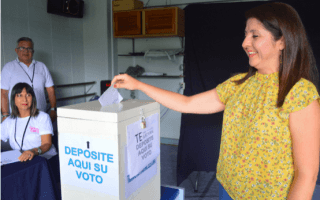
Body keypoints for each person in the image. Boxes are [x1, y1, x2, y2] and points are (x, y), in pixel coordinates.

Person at [111, 2, 320, 199]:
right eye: (246, 34)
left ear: (282, 41)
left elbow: (306, 175)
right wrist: (138, 85)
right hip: (226, 189)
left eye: (255, 35)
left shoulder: (299, 93)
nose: (245, 43)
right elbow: (187, 104)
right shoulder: (237, 84)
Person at [1, 37, 57, 123]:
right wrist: (5, 115)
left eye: (29, 49)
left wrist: (53, 109)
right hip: (17, 118)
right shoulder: (9, 67)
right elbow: (3, 93)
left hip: (40, 116)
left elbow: (50, 89)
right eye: (22, 48)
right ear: (16, 50)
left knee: (42, 136)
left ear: (33, 51)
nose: (25, 51)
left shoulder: (42, 66)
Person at [1, 83, 57, 161]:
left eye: (28, 95)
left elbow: (47, 144)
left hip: (44, 160)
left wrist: (33, 151)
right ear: (14, 100)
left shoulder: (42, 117)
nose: (25, 99)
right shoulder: (9, 121)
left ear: (32, 98)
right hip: (21, 160)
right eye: (19, 95)